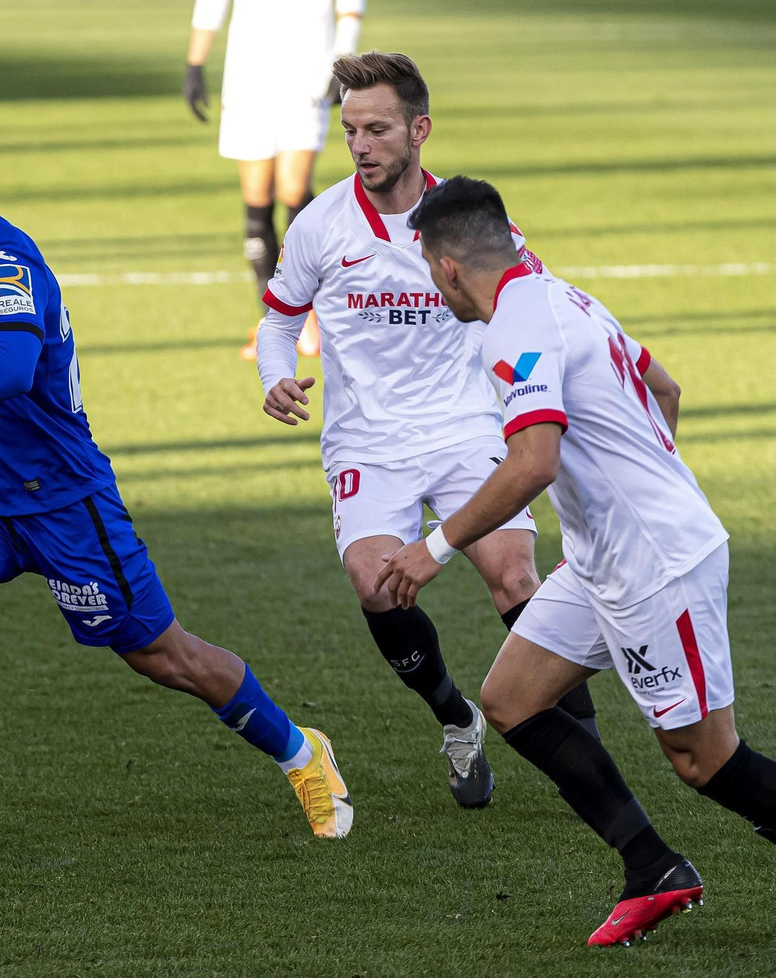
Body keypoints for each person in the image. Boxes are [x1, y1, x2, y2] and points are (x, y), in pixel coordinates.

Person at [376, 175, 776, 949]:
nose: (436, 286)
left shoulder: (515, 328)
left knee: (703, 759)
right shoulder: (563, 296)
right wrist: (628, 499)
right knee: (512, 699)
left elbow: (532, 463)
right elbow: (666, 388)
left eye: (432, 271)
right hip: (606, 560)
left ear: (449, 267)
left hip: (656, 568)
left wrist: (434, 548)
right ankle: (652, 868)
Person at [0, 130, 352, 840]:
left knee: (165, 657)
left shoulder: (11, 270)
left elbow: (11, 368)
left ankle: (302, 753)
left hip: (65, 501)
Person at [255, 52, 600, 811]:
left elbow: (536, 300)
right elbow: (278, 322)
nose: (361, 145)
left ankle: (589, 756)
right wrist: (274, 375)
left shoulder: (467, 225)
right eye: (350, 130)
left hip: (464, 425)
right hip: (366, 440)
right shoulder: (320, 225)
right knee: (376, 583)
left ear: (420, 130)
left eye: (378, 129)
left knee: (514, 574)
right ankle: (455, 716)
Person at [183, 0, 364, 359]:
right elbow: (211, 6)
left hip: (308, 78)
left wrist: (343, 59)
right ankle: (274, 323)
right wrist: (195, 63)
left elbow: (350, 8)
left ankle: (309, 315)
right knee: (257, 198)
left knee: (294, 190)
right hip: (247, 81)